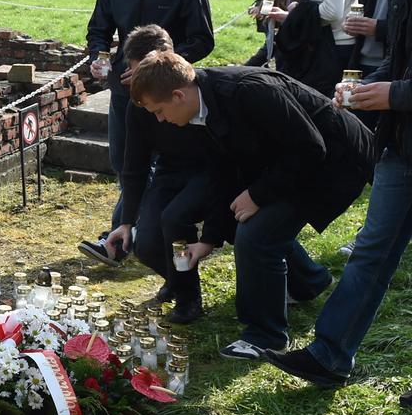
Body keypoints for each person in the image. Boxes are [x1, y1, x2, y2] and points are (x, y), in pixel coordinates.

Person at [263, 0, 412, 396]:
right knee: (372, 250)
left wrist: (392, 93)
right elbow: (400, 51)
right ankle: (330, 355)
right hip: (400, 139)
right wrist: (374, 90)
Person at [129, 52, 375, 359]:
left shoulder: (248, 90)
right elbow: (223, 172)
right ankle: (307, 283)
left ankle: (266, 335)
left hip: (334, 160)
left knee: (256, 235)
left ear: (178, 95)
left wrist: (257, 195)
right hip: (288, 162)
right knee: (249, 222)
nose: (159, 120)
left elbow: (310, 147)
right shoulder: (199, 109)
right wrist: (208, 240)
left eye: (159, 111)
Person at [80, 0, 213, 267]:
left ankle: (118, 240)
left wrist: (158, 68)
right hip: (123, 92)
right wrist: (98, 54)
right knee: (125, 163)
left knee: (153, 165)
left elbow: (203, 40)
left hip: (169, 95)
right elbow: (98, 29)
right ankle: (138, 230)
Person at [104, 25, 236, 323]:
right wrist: (126, 220)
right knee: (146, 243)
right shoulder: (139, 105)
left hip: (209, 169)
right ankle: (177, 279)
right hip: (170, 170)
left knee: (175, 219)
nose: (139, 80)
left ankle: (188, 298)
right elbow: (134, 165)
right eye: (135, 71)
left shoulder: (192, 91)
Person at [246, 0, 305, 68]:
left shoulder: (301, 1)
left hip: (301, 58)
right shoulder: (272, 1)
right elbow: (271, 41)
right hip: (283, 55)